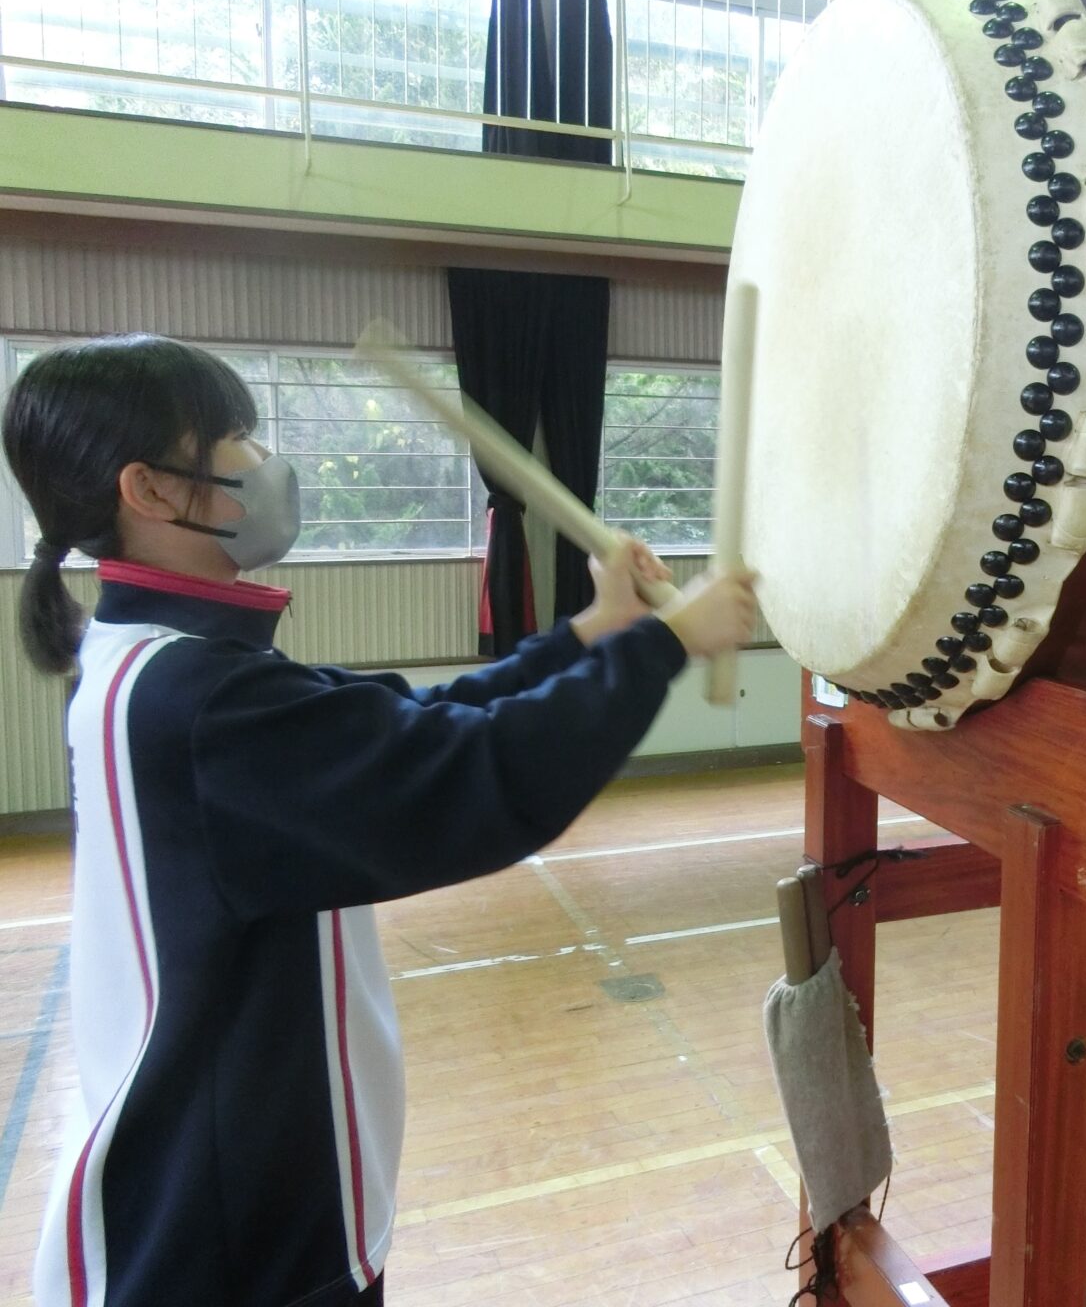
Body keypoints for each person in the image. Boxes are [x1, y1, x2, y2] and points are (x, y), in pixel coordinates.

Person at [3, 334, 758, 1307]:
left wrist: (589, 635)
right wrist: (666, 645)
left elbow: (404, 721)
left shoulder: (149, 660)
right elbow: (461, 775)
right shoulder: (199, 701)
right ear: (149, 490)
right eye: (235, 438)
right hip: (230, 1236)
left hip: (202, 1181)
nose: (262, 462)